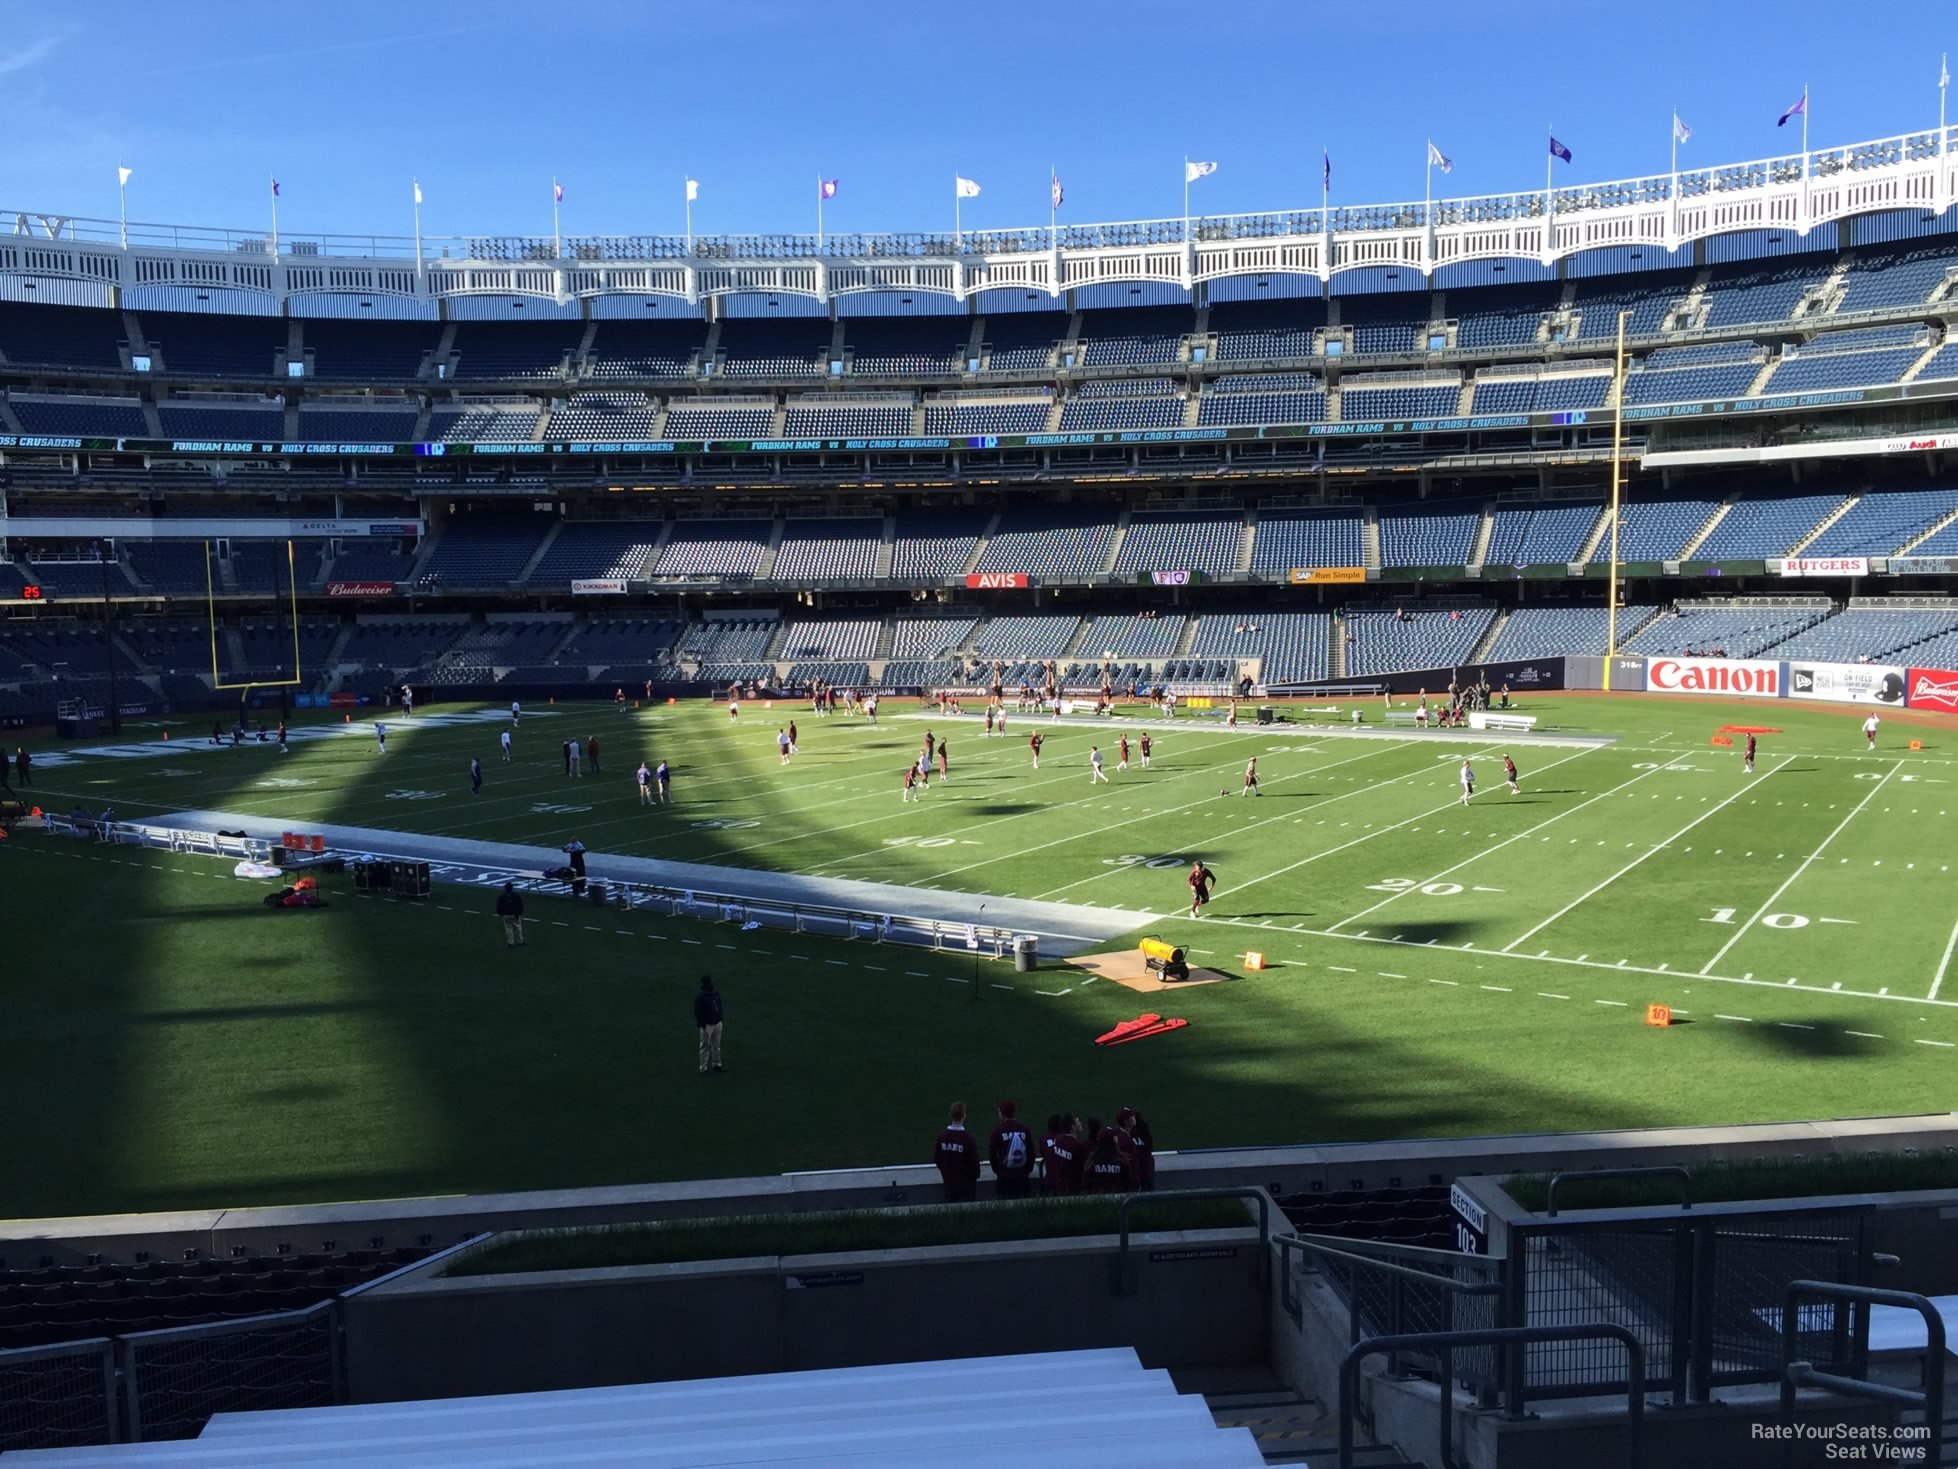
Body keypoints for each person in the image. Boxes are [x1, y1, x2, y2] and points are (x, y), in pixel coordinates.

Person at [934, 1102, 980, 1203]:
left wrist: (946, 1172)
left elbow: (938, 1159)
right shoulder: (968, 1139)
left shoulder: (942, 1137)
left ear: (950, 1114)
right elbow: (974, 1163)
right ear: (964, 1116)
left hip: (949, 1183)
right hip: (967, 1186)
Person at [988, 1100, 1035, 1200]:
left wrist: (998, 1170)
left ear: (1003, 1113)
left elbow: (992, 1154)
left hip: (1004, 1177)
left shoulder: (998, 1130)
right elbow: (1031, 1152)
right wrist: (1027, 1170)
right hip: (1022, 1177)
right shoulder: (1024, 1129)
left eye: (999, 1112)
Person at [1082, 1126, 1135, 1193]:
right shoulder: (1121, 1159)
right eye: (1115, 1136)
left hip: (1096, 1198)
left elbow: (1086, 1181)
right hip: (1118, 1199)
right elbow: (1129, 1182)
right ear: (1111, 1139)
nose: (1117, 1137)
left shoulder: (1092, 1158)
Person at [1116, 1106, 1155, 1191]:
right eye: (1132, 1116)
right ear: (1126, 1121)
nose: (1134, 1117)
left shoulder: (1143, 1131)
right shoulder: (1119, 1136)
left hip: (1145, 1171)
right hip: (1133, 1174)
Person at [694, 975, 724, 1074]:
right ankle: (703, 1067)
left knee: (716, 1045)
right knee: (705, 1046)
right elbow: (698, 1013)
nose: (712, 983)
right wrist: (703, 1025)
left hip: (717, 1023)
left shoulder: (715, 994)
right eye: (710, 982)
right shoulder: (700, 997)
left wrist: (720, 1019)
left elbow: (719, 1007)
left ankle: (717, 1064)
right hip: (707, 1025)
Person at [495, 881, 525, 947]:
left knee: (508, 928)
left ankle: (510, 942)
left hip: (506, 914)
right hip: (515, 914)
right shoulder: (516, 895)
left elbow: (499, 905)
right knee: (518, 928)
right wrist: (520, 913)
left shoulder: (502, 896)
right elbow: (520, 905)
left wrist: (500, 913)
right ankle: (520, 941)